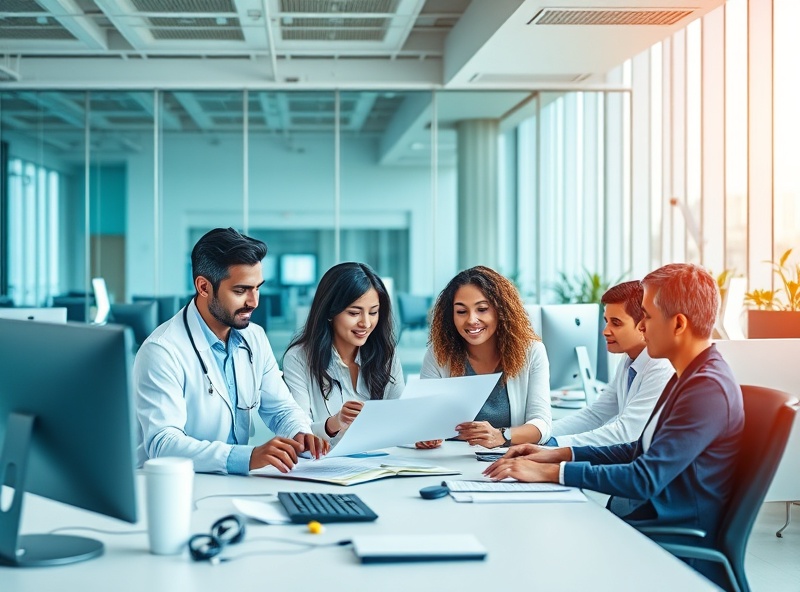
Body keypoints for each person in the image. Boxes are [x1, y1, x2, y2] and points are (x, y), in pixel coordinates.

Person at [484, 263, 744, 550]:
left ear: (679, 324)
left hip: (666, 534)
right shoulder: (690, 375)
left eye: (647, 316)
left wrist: (550, 472)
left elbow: (644, 477)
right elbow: (637, 450)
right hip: (645, 516)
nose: (642, 327)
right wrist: (555, 454)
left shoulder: (706, 389)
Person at [134, 227, 328, 475]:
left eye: (257, 287)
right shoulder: (162, 351)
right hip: (173, 484)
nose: (254, 301)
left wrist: (300, 433)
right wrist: (248, 457)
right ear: (204, 287)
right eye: (240, 291)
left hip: (231, 482)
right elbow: (162, 444)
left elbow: (281, 409)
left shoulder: (254, 337)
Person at [419, 265, 551, 449]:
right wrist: (425, 434)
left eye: (482, 309)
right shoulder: (438, 354)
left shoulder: (532, 352)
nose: (471, 319)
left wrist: (502, 435)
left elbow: (542, 425)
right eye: (461, 311)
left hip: (506, 463)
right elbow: (425, 420)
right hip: (449, 462)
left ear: (501, 310)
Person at [282, 262, 404, 441]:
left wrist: (421, 435)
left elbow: (401, 415)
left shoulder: (385, 354)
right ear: (330, 312)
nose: (366, 323)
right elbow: (296, 432)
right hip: (326, 464)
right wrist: (335, 423)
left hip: (381, 460)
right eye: (354, 313)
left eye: (373, 312)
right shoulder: (299, 358)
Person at [546, 280, 674, 447]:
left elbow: (627, 433)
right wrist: (540, 436)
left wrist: (553, 445)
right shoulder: (629, 360)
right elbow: (596, 415)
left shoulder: (661, 366)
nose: (605, 331)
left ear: (644, 325)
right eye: (606, 321)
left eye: (616, 323)